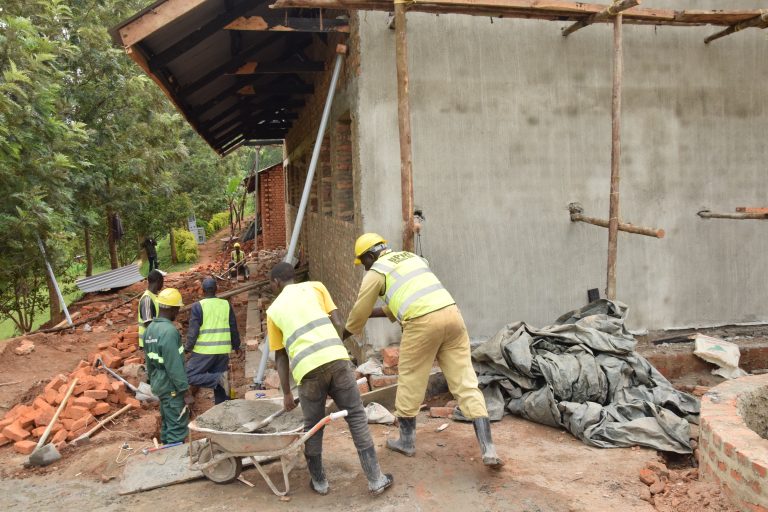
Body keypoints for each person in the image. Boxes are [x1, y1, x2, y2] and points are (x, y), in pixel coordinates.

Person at [342, 233, 503, 469]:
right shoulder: (411, 258)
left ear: (369, 256)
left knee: (411, 379)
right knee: (465, 381)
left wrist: (343, 334)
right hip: (452, 316)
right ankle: (488, 447)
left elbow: (359, 312)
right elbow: (405, 299)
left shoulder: (376, 272)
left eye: (363, 262)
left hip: (421, 323)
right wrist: (373, 314)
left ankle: (406, 441)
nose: (364, 267)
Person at [266, 262, 393, 496]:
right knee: (356, 415)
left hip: (308, 371)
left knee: (313, 425)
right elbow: (338, 323)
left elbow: (280, 356)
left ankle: (319, 482)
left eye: (270, 284)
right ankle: (376, 479)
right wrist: (336, 352)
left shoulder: (273, 310)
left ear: (276, 282)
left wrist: (286, 393)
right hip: (337, 360)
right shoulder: (317, 287)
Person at [144, 288, 190, 444]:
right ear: (172, 309)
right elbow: (174, 366)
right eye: (177, 309)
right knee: (177, 424)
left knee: (167, 422)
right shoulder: (169, 332)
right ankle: (174, 454)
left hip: (159, 383)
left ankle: (165, 449)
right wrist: (185, 390)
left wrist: (153, 381)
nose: (177, 313)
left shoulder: (150, 329)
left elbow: (149, 362)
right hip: (171, 386)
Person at [185, 277, 241, 404]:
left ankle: (218, 378)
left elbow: (193, 332)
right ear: (216, 289)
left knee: (188, 376)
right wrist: (236, 346)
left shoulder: (198, 306)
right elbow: (233, 326)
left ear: (202, 290)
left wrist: (187, 348)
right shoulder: (226, 304)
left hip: (204, 351)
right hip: (223, 351)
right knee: (221, 387)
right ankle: (223, 407)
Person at [137, 270, 163, 351]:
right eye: (162, 282)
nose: (163, 285)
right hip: (149, 343)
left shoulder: (155, 297)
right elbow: (148, 324)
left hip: (153, 341)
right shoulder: (147, 299)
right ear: (158, 281)